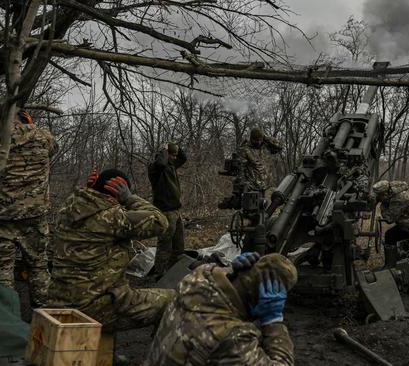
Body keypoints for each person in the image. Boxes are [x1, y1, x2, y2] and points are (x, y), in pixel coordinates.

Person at [47, 169, 174, 332]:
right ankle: (163, 353)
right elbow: (160, 222)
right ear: (117, 193)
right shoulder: (114, 218)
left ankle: (103, 354)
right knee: (173, 299)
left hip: (58, 300)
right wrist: (129, 198)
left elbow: (89, 203)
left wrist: (91, 191)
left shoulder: (66, 211)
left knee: (117, 290)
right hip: (91, 308)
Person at [144, 252, 297, 366]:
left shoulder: (198, 277)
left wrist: (231, 272)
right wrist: (273, 320)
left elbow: (226, 295)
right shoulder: (234, 337)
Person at [0, 109, 57, 307]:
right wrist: (31, 127)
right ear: (26, 118)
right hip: (34, 214)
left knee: (2, 270)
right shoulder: (44, 137)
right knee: (39, 265)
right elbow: (53, 149)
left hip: (2, 216)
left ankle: (6, 318)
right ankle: (44, 318)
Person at [148, 142, 187, 276]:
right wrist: (164, 150)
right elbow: (160, 163)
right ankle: (159, 273)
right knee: (165, 243)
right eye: (172, 155)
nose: (175, 158)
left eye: (175, 155)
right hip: (165, 210)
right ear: (166, 155)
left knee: (178, 243)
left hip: (176, 210)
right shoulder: (156, 168)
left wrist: (175, 145)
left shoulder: (171, 165)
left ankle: (174, 270)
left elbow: (183, 158)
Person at [237, 127, 282, 193]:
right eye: (255, 140)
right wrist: (244, 185)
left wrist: (265, 137)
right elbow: (240, 168)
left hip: (268, 186)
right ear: (251, 138)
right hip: (253, 188)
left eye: (260, 139)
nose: (258, 142)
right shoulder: (245, 149)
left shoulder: (266, 146)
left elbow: (279, 147)